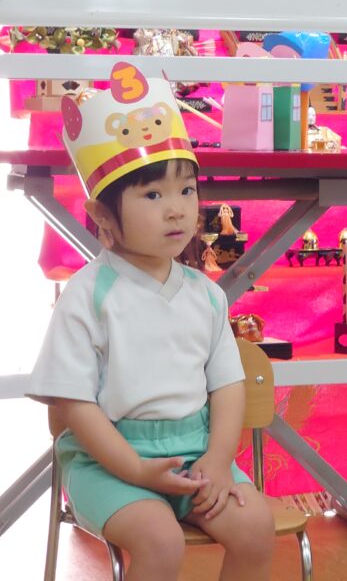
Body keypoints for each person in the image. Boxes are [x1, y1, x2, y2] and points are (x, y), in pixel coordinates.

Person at [27, 63, 274, 581]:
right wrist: (136, 469)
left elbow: (227, 386)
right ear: (103, 216)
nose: (177, 210)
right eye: (153, 195)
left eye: (186, 190)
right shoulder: (87, 296)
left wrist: (217, 459)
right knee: (160, 539)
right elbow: (75, 405)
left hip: (196, 454)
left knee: (255, 526)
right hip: (109, 464)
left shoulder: (207, 295)